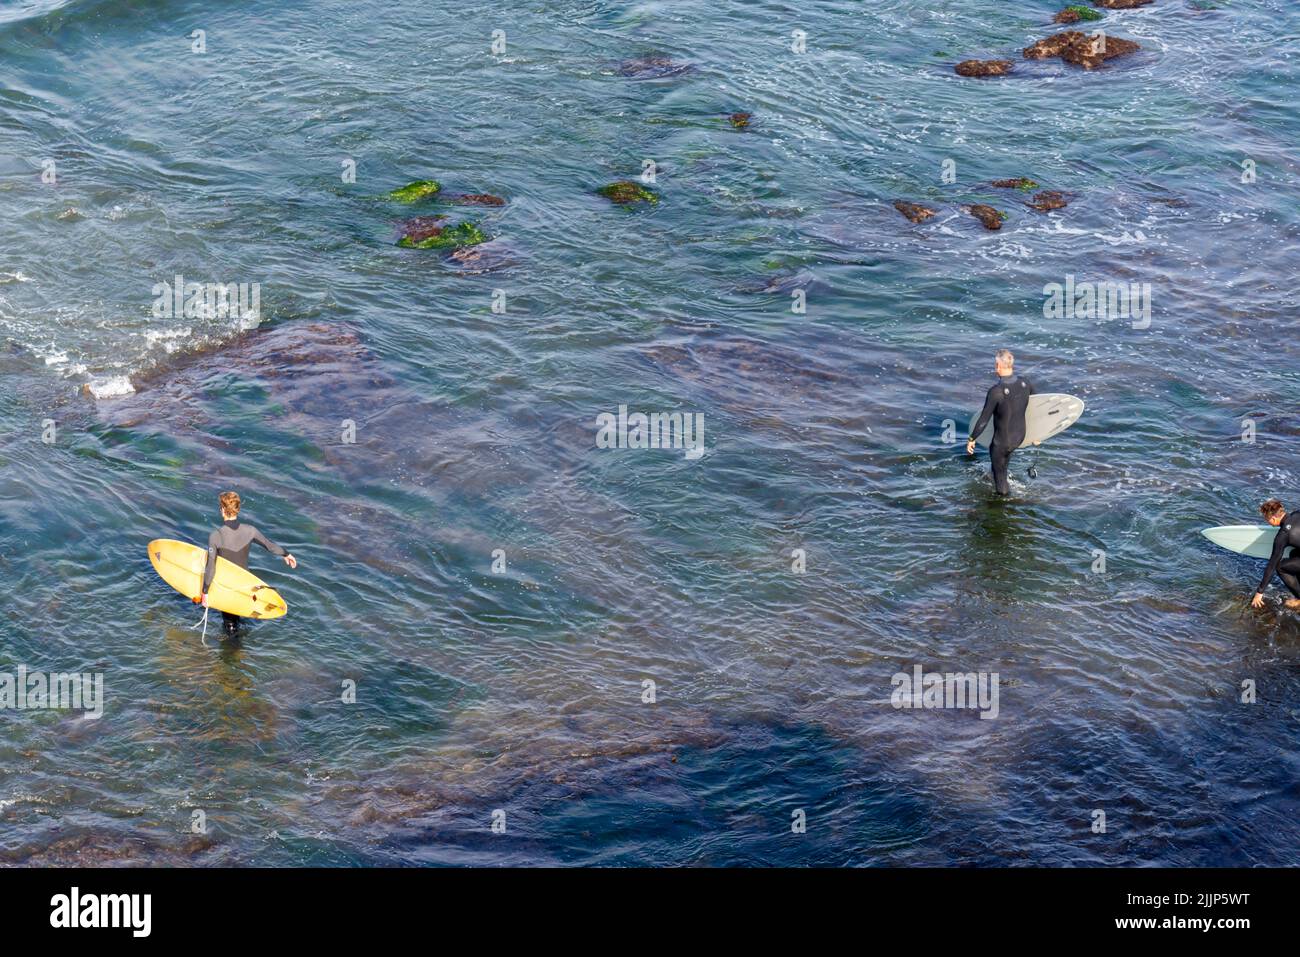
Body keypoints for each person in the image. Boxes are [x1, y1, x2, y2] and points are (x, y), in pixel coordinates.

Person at [201, 491, 297, 636]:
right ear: (237, 510)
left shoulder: (216, 536)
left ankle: (234, 654)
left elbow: (211, 567)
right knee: (236, 618)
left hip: (227, 587)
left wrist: (205, 592)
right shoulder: (250, 530)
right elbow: (269, 545)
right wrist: (286, 554)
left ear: (222, 510)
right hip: (245, 585)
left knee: (230, 626)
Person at [966, 349, 1035, 496]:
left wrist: (972, 439)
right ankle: (999, 476)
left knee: (1000, 480)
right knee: (1002, 464)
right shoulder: (1025, 383)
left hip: (1002, 442)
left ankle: (1003, 504)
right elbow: (1036, 407)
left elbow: (983, 419)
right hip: (1019, 438)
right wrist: (1036, 435)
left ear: (998, 366)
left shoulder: (996, 391)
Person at [1250, 499, 1300, 610]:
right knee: (1293, 553)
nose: (1266, 521)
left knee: (1280, 567)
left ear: (1273, 518)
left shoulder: (1283, 536)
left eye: (1266, 519)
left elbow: (1272, 565)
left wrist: (1259, 591)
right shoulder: (1297, 513)